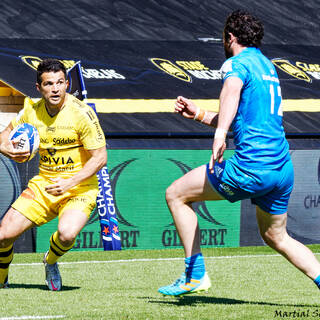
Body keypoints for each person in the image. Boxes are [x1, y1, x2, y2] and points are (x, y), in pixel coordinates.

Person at [158, 10, 320, 296]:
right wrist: (201, 115)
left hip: (253, 167)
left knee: (176, 194)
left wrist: (219, 135)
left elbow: (231, 92)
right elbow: (241, 116)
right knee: (276, 236)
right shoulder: (266, 65)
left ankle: (194, 276)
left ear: (229, 37)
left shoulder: (237, 63)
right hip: (282, 168)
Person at [0, 58, 107, 291]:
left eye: (60, 82)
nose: (55, 88)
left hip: (79, 188)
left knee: (67, 235)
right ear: (39, 88)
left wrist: (70, 182)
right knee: (3, 236)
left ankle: (50, 261)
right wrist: (5, 147)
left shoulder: (82, 114)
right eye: (49, 84)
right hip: (44, 186)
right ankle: (1, 278)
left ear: (67, 84)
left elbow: (100, 158)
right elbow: (3, 135)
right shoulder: (31, 112)